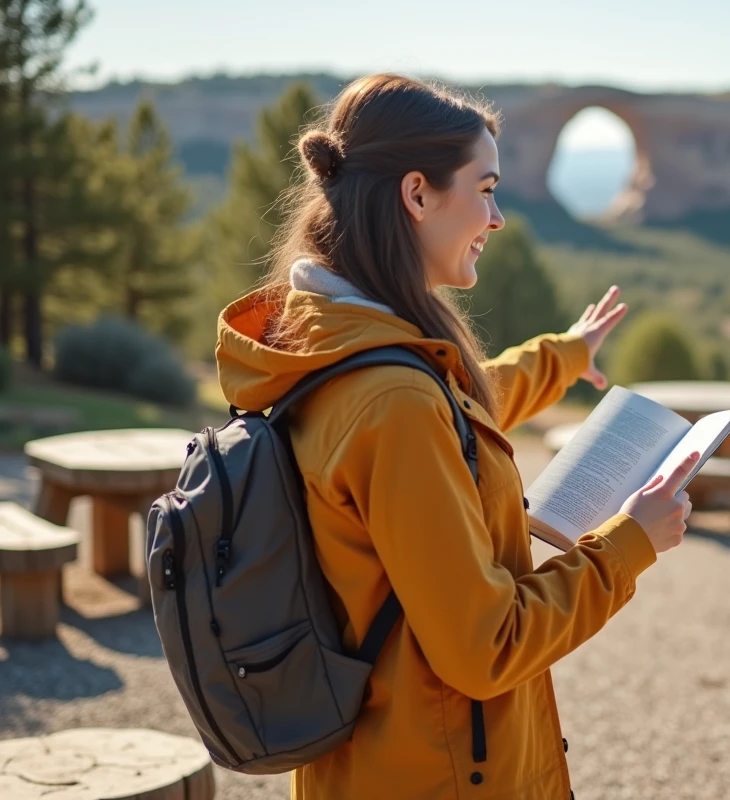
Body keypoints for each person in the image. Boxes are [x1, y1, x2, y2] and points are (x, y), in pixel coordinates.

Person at [215, 73, 697, 800]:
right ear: (416, 195)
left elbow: (458, 403)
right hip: (439, 773)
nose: (497, 217)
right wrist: (630, 543)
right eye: (486, 187)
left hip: (376, 760)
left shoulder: (325, 338)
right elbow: (486, 647)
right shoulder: (392, 400)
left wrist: (564, 356)